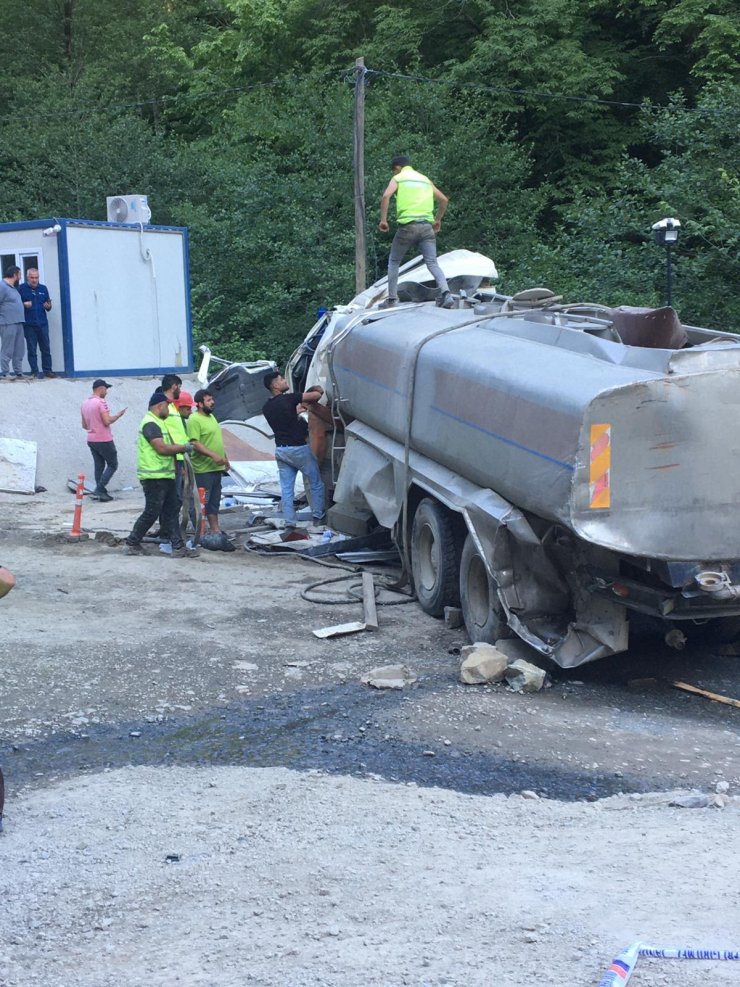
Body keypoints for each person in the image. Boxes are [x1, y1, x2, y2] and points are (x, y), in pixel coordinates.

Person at [125, 392, 199, 558]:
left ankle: (178, 546)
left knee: (171, 511)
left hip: (165, 475)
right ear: (159, 406)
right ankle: (132, 542)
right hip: (154, 477)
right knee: (152, 511)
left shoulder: (159, 422)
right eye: (167, 405)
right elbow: (161, 448)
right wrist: (183, 448)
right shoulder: (150, 423)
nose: (169, 408)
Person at [378, 155, 453, 309]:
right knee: (432, 262)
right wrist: (437, 220)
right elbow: (444, 200)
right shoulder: (425, 179)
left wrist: (383, 220)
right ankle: (446, 294)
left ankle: (392, 299)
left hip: (407, 227)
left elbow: (386, 196)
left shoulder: (399, 178)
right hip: (426, 227)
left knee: (394, 261)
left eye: (394, 171)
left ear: (397, 168)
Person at [262, 371, 326, 530]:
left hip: (281, 451)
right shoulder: (289, 398)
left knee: (286, 489)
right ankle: (318, 518)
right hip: (298, 449)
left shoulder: (267, 407)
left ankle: (290, 523)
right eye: (282, 379)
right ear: (275, 385)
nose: (284, 381)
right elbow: (316, 396)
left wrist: (298, 410)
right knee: (316, 483)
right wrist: (318, 389)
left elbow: (287, 417)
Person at [187, 389, 231, 538]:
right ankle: (200, 531)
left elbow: (216, 440)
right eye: (208, 400)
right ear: (199, 404)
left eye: (212, 399)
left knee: (214, 501)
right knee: (202, 503)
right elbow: (195, 443)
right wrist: (213, 456)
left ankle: (215, 529)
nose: (212, 402)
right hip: (203, 469)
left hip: (216, 467)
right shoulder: (194, 420)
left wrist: (224, 458)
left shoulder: (211, 417)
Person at [80, 379, 126, 501]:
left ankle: (100, 490)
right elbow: (107, 421)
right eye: (106, 389)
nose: (106, 392)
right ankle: (99, 489)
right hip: (103, 438)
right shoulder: (101, 402)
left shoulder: (85, 403)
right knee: (112, 464)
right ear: (101, 389)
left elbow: (84, 425)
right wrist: (117, 415)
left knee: (99, 464)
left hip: (91, 439)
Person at [18, 268, 55, 378]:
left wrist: (48, 306)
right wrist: (23, 305)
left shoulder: (43, 288)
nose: (34, 280)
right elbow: (16, 306)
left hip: (42, 324)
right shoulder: (21, 289)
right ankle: (34, 371)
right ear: (27, 277)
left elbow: (48, 304)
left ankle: (48, 370)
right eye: (32, 277)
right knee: (32, 349)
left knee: (46, 348)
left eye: (36, 277)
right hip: (29, 325)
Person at [0, 265, 27, 380]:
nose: (21, 276)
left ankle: (18, 372)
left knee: (19, 349)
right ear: (15, 274)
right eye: (20, 274)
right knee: (7, 348)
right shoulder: (2, 286)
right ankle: (5, 372)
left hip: (19, 322)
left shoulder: (13, 287)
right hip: (7, 322)